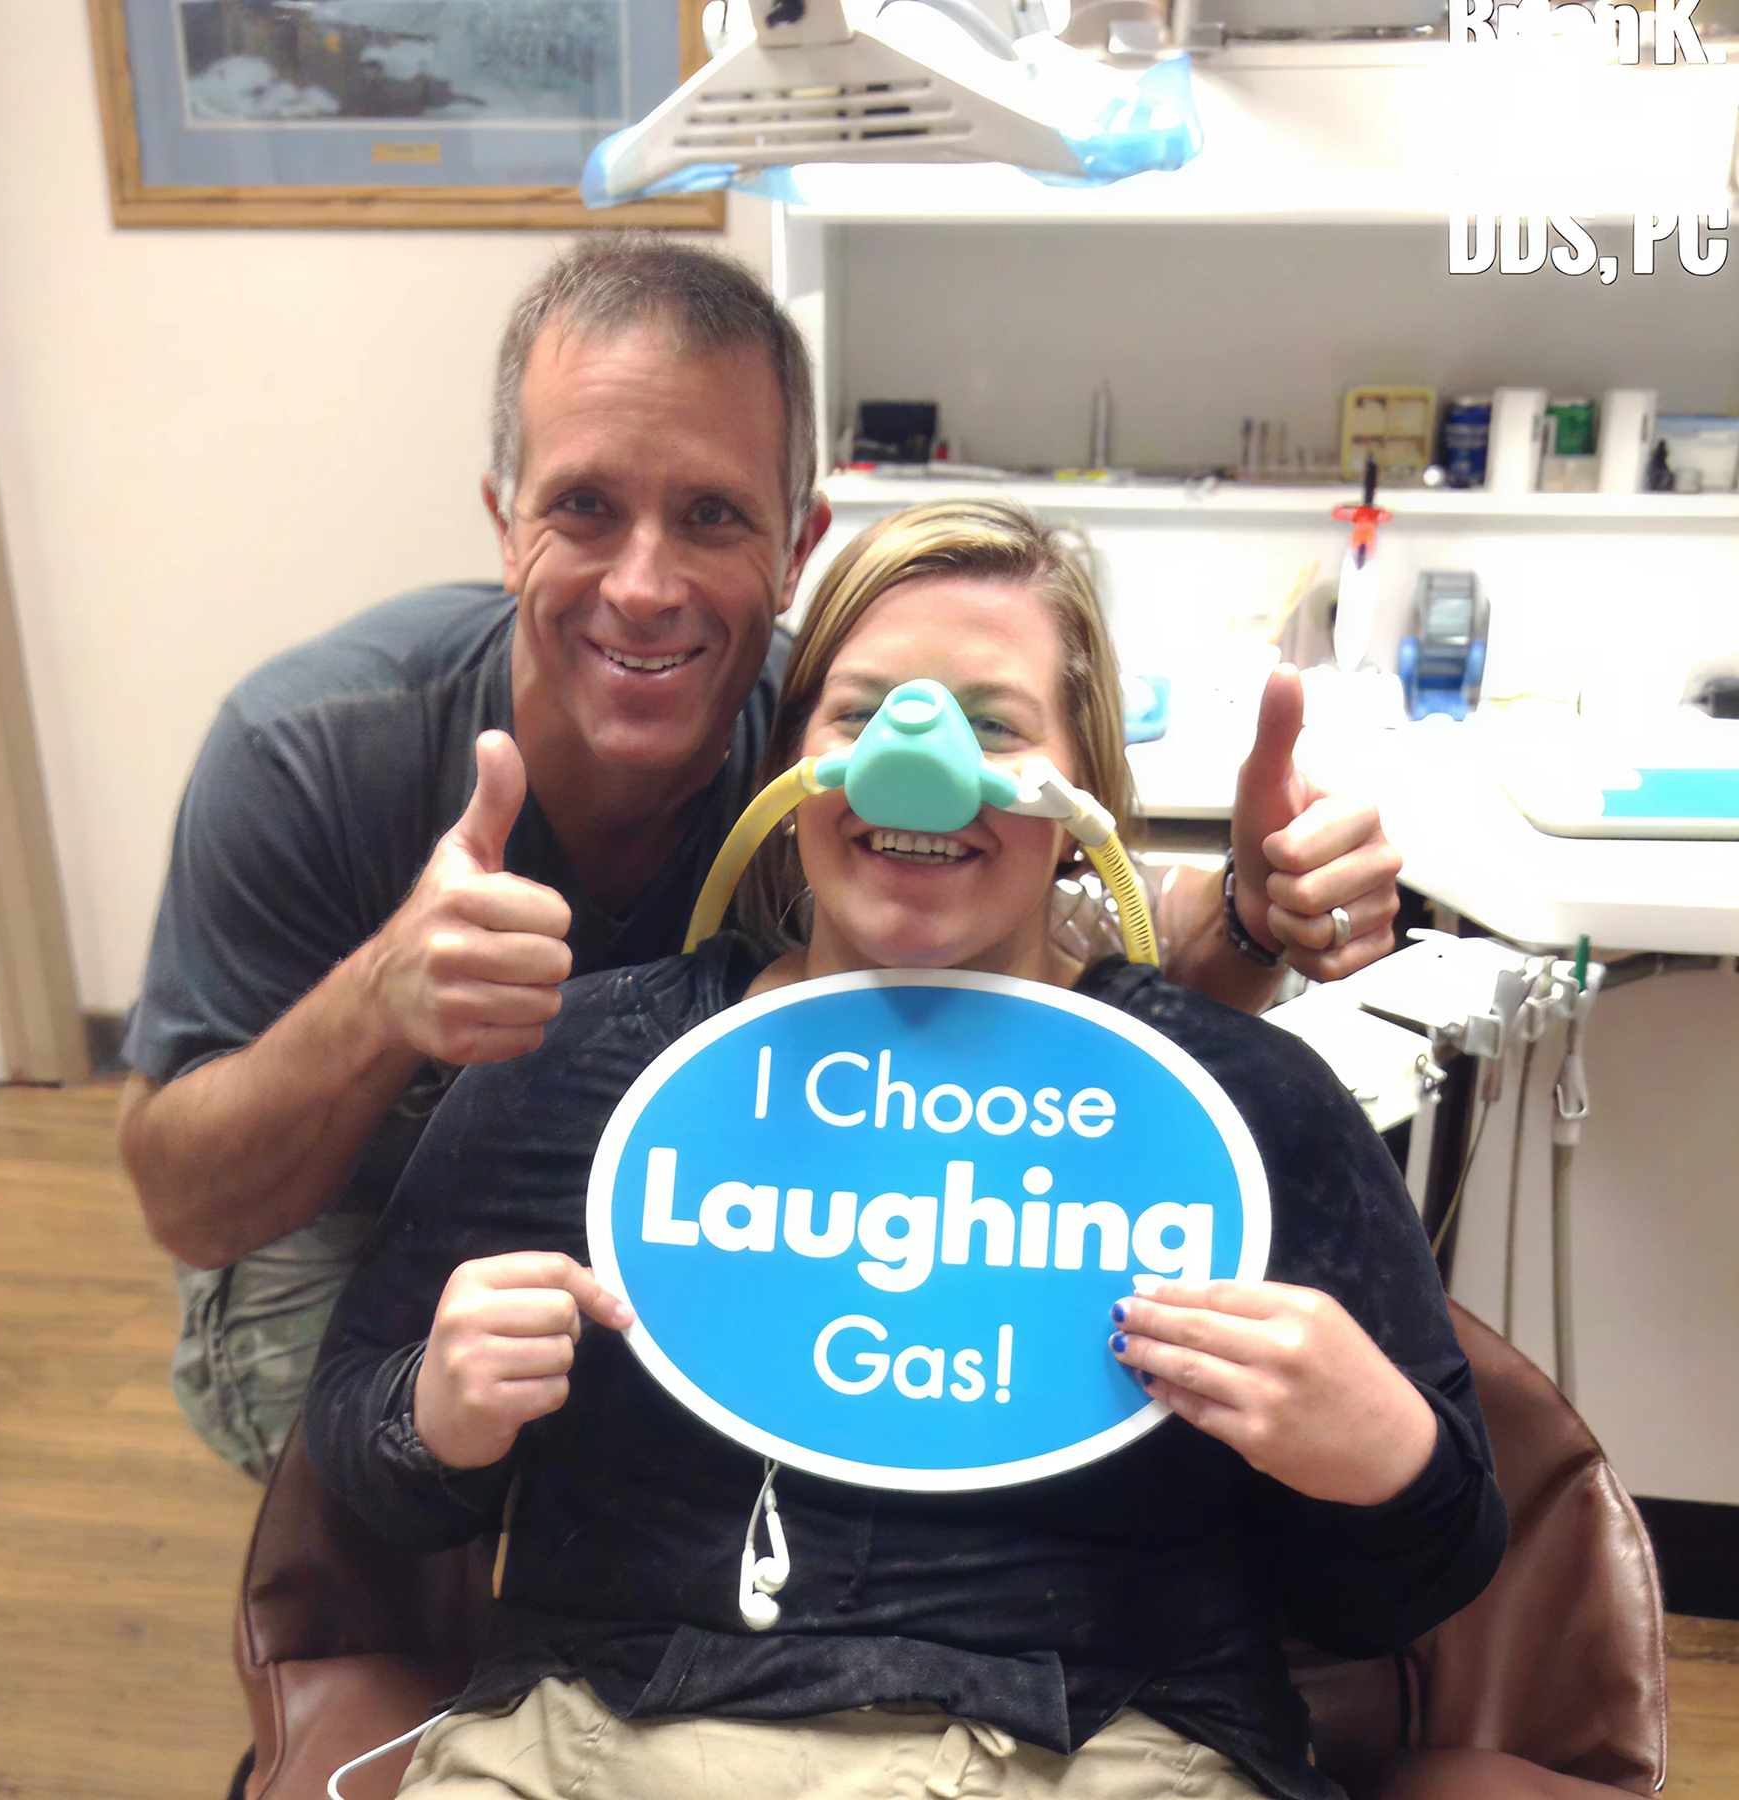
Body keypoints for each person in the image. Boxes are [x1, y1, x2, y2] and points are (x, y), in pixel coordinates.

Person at [119, 238, 1404, 1481]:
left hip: (650, 1219)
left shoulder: (836, 751)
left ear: (797, 547)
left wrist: (1258, 909)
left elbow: (1088, 957)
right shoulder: (313, 752)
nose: (644, 584)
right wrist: (380, 1001)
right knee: (384, 1501)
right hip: (339, 1215)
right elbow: (188, 1205)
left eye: (712, 516)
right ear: (504, 524)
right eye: (583, 506)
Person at [303, 499, 1504, 1800]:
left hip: (1105, 1749)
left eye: (991, 727)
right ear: (791, 768)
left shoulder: (1237, 1105)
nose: (913, 764)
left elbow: (1401, 1589)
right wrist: (440, 1413)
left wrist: (1383, 1453)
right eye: (860, 715)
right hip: (605, 1737)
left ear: (1081, 788)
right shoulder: (581, 1069)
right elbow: (364, 1458)